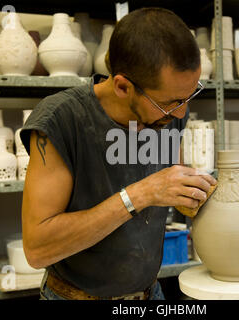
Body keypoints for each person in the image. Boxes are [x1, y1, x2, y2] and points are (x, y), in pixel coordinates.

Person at [20, 7, 217, 300]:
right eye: (171, 102)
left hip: (149, 294)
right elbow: (37, 249)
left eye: (190, 95)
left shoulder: (169, 114)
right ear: (123, 86)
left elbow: (171, 183)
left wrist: (194, 195)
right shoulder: (61, 120)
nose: (182, 111)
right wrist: (140, 194)